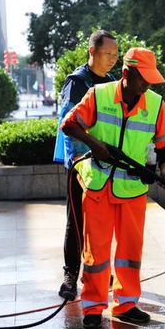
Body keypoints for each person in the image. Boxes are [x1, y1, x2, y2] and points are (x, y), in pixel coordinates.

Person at [61, 47, 165, 328]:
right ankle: (92, 307)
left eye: (151, 79)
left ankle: (126, 304)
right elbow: (69, 124)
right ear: (127, 74)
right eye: (143, 79)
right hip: (99, 186)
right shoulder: (98, 96)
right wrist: (95, 145)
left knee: (130, 252)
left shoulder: (155, 104)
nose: (147, 85)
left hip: (133, 191)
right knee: (96, 253)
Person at [53, 30, 118, 300]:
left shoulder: (113, 82)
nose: (113, 59)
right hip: (81, 164)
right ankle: (70, 275)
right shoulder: (77, 82)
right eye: (108, 54)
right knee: (76, 222)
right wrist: (79, 162)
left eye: (116, 55)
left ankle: (98, 272)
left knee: (101, 223)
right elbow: (69, 125)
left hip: (104, 164)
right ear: (93, 52)